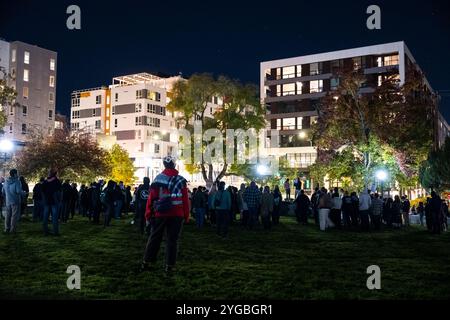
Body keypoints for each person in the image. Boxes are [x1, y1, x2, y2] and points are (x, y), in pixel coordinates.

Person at [141, 156, 190, 276]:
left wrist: (148, 214)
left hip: (160, 213)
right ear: (174, 165)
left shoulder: (158, 179)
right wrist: (186, 215)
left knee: (154, 237)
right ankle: (170, 266)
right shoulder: (181, 180)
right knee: (172, 240)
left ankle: (147, 262)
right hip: (177, 215)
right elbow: (185, 199)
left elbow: (151, 199)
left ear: (164, 165)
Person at [41, 169, 62, 236]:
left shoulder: (45, 182)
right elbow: (60, 191)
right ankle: (55, 232)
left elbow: (42, 191)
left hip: (47, 201)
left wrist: (44, 199)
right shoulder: (57, 181)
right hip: (54, 201)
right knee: (54, 218)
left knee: (45, 217)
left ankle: (45, 231)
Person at [2, 169, 23, 234]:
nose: (18, 174)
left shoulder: (6, 182)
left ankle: (6, 228)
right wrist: (24, 193)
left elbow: (3, 191)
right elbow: (18, 191)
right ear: (15, 174)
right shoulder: (17, 181)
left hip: (8, 201)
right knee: (14, 216)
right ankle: (13, 230)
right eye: (17, 173)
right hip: (15, 201)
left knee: (8, 215)